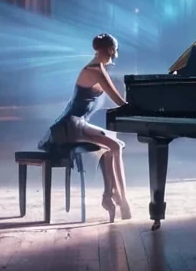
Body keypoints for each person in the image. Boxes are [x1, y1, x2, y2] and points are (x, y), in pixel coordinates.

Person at [40, 33, 132, 222]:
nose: (117, 52)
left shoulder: (97, 68)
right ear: (111, 49)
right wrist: (140, 106)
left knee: (114, 146)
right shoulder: (96, 70)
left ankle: (111, 195)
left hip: (77, 122)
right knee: (115, 146)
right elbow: (119, 102)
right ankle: (120, 199)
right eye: (116, 49)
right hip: (69, 126)